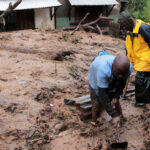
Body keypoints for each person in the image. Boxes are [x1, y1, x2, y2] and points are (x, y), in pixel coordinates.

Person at [88, 53, 132, 127]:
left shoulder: (128, 68)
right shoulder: (103, 70)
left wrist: (116, 96)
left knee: (115, 101)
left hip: (111, 75)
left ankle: (121, 118)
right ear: (112, 67)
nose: (120, 76)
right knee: (96, 103)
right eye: (118, 73)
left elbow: (122, 83)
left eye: (122, 74)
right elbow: (102, 95)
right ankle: (94, 122)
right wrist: (113, 115)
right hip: (95, 76)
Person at [118, 11, 150, 107]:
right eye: (122, 26)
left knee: (140, 80)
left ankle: (141, 101)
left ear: (130, 21)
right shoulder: (129, 31)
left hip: (146, 59)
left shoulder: (143, 28)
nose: (124, 28)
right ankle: (146, 99)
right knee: (145, 80)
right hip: (138, 59)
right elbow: (128, 48)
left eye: (124, 25)